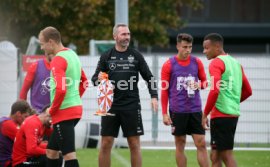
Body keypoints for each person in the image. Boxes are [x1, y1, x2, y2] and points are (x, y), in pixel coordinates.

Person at [91, 23, 158, 167]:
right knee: (106, 143)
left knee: (134, 144)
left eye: (128, 34)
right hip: (110, 106)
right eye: (123, 34)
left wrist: (154, 96)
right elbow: (94, 79)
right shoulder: (106, 56)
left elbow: (149, 77)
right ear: (115, 37)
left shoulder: (136, 56)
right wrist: (101, 79)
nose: (127, 37)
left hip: (131, 105)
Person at [38, 26, 88, 167]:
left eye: (42, 44)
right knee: (51, 151)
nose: (42, 48)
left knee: (69, 154)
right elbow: (85, 82)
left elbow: (60, 90)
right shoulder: (72, 55)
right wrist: (74, 99)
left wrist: (52, 110)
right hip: (74, 109)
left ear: (51, 42)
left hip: (64, 112)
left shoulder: (58, 60)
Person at [202, 33, 252, 167]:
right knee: (215, 155)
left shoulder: (216, 63)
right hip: (232, 114)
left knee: (226, 155)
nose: (204, 51)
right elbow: (248, 91)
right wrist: (232, 102)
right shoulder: (236, 63)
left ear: (217, 46)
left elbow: (214, 90)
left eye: (207, 48)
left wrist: (205, 113)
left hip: (221, 116)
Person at [161, 33, 209, 167]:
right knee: (180, 143)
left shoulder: (197, 62)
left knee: (201, 143)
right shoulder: (169, 64)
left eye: (190, 47)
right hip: (178, 110)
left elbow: (205, 82)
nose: (187, 50)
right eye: (184, 47)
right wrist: (164, 113)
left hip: (195, 109)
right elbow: (164, 90)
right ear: (177, 46)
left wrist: (198, 85)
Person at [0, 100, 32, 167]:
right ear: (18, 113)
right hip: (6, 162)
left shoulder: (6, 122)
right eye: (25, 116)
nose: (26, 120)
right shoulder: (8, 124)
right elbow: (28, 142)